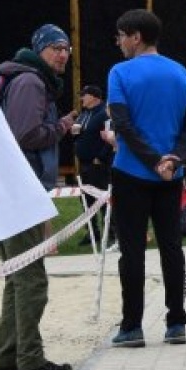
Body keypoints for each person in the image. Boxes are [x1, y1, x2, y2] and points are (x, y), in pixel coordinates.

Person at [108, 9, 186, 347]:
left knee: (132, 250)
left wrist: (152, 160)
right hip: (171, 174)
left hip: (132, 171)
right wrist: (173, 158)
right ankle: (176, 321)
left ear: (136, 36)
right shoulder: (183, 75)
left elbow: (122, 124)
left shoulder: (119, 72)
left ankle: (132, 326)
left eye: (121, 35)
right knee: (171, 247)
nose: (118, 42)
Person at [0, 23, 78, 370]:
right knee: (31, 278)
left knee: (17, 275)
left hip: (14, 187)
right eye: (56, 47)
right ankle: (29, 360)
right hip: (19, 189)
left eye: (67, 48)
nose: (63, 54)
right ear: (39, 49)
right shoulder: (30, 81)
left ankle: (7, 359)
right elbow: (25, 134)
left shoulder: (24, 78)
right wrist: (60, 127)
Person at [72, 83, 115, 247]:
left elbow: (109, 138)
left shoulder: (104, 113)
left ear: (94, 97)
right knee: (86, 200)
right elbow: (80, 133)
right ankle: (92, 233)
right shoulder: (84, 114)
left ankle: (110, 233)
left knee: (104, 199)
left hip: (98, 164)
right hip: (83, 163)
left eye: (85, 95)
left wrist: (100, 157)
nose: (81, 98)